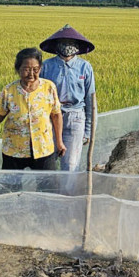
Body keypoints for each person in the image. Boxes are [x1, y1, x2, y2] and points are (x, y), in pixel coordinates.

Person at [0, 48, 66, 191]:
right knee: (10, 188)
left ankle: (44, 213)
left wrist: (60, 142)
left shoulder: (49, 87)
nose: (31, 74)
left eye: (35, 69)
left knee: (48, 188)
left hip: (43, 147)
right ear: (18, 69)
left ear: (40, 68)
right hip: (14, 149)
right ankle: (11, 213)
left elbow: (56, 115)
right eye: (26, 69)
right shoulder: (9, 90)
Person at [39, 25, 97, 172]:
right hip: (50, 118)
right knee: (47, 161)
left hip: (75, 116)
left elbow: (90, 101)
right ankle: (49, 193)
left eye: (71, 42)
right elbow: (38, 97)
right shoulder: (46, 66)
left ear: (77, 45)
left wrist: (88, 131)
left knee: (71, 165)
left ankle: (67, 194)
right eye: (63, 42)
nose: (67, 46)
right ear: (57, 45)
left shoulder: (85, 67)